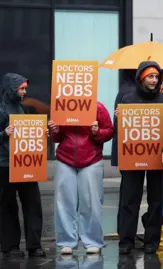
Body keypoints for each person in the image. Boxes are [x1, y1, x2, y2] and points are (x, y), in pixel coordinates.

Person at [115, 61, 163, 255]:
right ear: (141, 77)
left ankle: (152, 241)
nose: (154, 80)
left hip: (157, 157)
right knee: (129, 201)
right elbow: (117, 131)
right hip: (132, 157)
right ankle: (126, 241)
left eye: (157, 77)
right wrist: (118, 118)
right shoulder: (126, 98)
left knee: (156, 201)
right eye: (150, 76)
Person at [49, 103, 114, 255]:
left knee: (91, 202)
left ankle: (92, 241)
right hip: (65, 158)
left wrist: (97, 132)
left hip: (91, 159)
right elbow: (56, 137)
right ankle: (67, 242)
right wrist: (55, 132)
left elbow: (110, 131)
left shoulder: (98, 108)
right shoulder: (61, 107)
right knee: (64, 202)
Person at [0, 73, 45, 258]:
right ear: (12, 89)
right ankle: (10, 246)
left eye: (25, 88)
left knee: (32, 204)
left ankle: (34, 245)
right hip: (5, 164)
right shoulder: (2, 111)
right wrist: (3, 133)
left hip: (26, 163)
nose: (24, 92)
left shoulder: (22, 109)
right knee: (7, 206)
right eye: (21, 89)